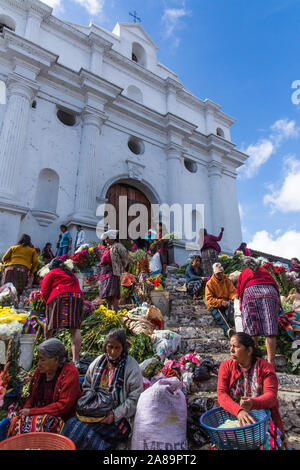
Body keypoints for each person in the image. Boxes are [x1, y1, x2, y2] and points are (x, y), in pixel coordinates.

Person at [62, 328, 144, 450]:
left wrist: (114, 414)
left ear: (123, 349)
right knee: (71, 424)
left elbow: (134, 399)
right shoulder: (98, 363)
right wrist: (94, 406)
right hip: (94, 413)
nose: (113, 352)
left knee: (87, 432)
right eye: (110, 347)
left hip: (119, 418)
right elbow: (87, 387)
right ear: (105, 346)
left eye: (117, 348)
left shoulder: (131, 367)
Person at [217, 332, 288, 450]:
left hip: (263, 419)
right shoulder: (226, 366)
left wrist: (253, 403)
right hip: (235, 416)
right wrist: (239, 411)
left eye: (236, 347)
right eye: (230, 346)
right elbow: (221, 394)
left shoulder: (265, 368)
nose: (231, 350)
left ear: (249, 350)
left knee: (271, 444)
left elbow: (271, 397)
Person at [7, 338, 81, 437]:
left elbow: (63, 407)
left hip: (59, 419)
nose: (38, 364)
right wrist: (25, 411)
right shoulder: (39, 372)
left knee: (36, 428)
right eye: (38, 359)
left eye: (42, 360)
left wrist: (32, 412)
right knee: (13, 422)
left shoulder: (70, 372)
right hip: (37, 414)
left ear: (56, 359)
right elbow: (31, 397)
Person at [236, 257, 281, 367]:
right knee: (270, 331)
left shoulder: (244, 272)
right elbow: (274, 284)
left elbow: (238, 290)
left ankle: (255, 359)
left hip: (251, 293)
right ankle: (271, 363)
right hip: (270, 293)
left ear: (245, 266)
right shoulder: (264, 270)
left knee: (252, 330)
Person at [40, 258, 83, 365]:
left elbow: (44, 290)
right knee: (75, 328)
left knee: (50, 324)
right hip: (76, 297)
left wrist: (49, 305)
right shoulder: (71, 274)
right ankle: (76, 360)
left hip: (59, 296)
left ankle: (45, 349)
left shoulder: (52, 273)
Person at [1, 234, 38, 302]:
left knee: (6, 288)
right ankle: (15, 305)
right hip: (22, 270)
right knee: (18, 290)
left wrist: (7, 265)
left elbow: (4, 259)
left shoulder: (13, 248)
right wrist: (31, 272)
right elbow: (35, 262)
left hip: (9, 270)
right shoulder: (32, 251)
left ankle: (2, 304)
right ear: (29, 241)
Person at [205, 262, 237, 338]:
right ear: (214, 273)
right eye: (217, 273)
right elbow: (209, 300)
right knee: (219, 314)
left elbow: (233, 292)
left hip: (228, 302)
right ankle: (229, 330)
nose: (219, 275)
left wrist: (233, 298)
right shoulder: (210, 283)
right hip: (216, 304)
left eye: (221, 273)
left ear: (223, 272)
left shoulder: (227, 280)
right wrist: (221, 302)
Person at [99, 230, 128, 312]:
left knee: (114, 290)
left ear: (112, 238)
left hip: (113, 271)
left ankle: (115, 308)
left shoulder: (118, 246)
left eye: (107, 238)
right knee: (106, 290)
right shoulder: (108, 248)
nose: (106, 240)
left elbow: (124, 258)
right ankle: (108, 308)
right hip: (105, 271)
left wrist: (122, 266)